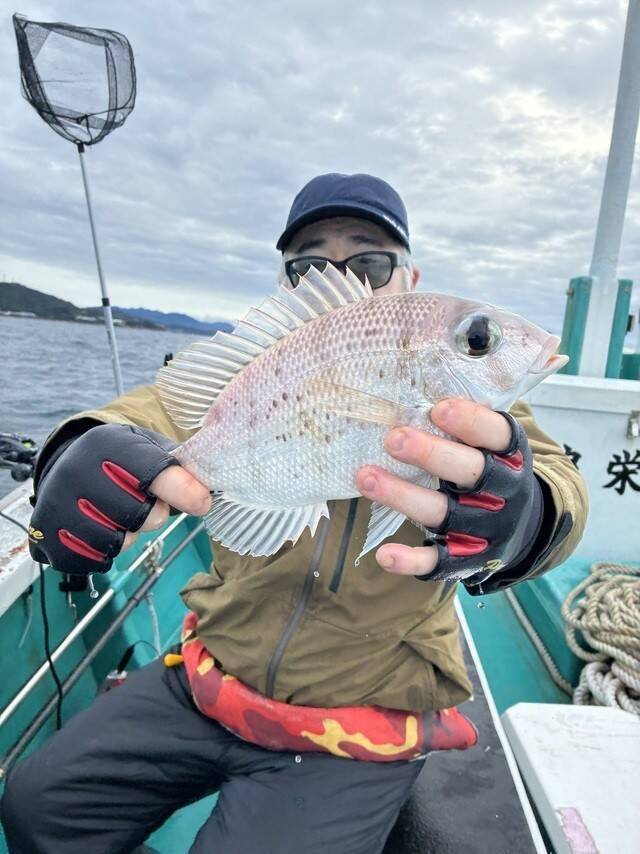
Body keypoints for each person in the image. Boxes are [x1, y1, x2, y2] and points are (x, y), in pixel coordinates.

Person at [0, 173, 588, 854]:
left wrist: (527, 515)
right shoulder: (251, 365)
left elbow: (552, 478)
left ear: (411, 277)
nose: (345, 279)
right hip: (210, 671)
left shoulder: (487, 415)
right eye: (308, 265)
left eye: (370, 261)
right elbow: (147, 413)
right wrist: (79, 443)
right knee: (39, 805)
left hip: (362, 709)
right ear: (286, 283)